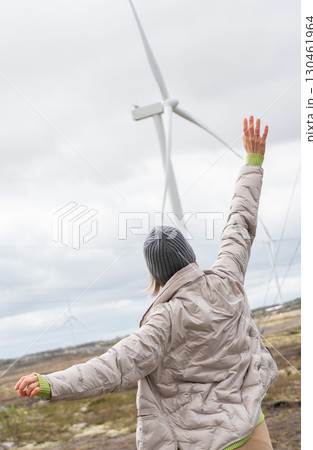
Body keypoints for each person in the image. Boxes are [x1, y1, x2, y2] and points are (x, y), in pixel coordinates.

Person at [14, 116, 278, 450]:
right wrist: (253, 162)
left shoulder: (163, 320)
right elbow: (240, 221)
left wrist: (51, 383)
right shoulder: (227, 277)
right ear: (190, 255)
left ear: (155, 275)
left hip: (206, 441)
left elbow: (113, 367)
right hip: (252, 424)